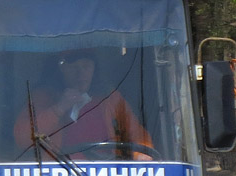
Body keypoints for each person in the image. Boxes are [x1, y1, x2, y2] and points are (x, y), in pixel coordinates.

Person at [13, 47, 152, 159]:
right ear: (61, 70)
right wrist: (59, 108)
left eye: (86, 66)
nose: (81, 74)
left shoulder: (111, 99)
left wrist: (141, 154)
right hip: (62, 174)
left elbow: (137, 136)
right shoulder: (44, 98)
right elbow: (23, 140)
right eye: (73, 67)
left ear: (94, 69)